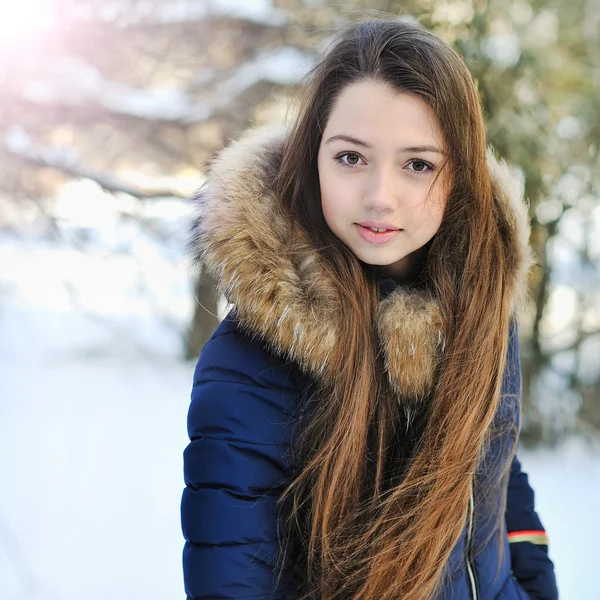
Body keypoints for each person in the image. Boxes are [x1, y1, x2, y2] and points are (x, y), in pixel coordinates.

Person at [181, 17, 559, 600]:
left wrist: (535, 586)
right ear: (313, 159)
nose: (381, 196)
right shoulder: (250, 364)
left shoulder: (482, 307)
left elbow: (498, 469)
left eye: (417, 164)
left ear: (458, 175)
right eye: (352, 158)